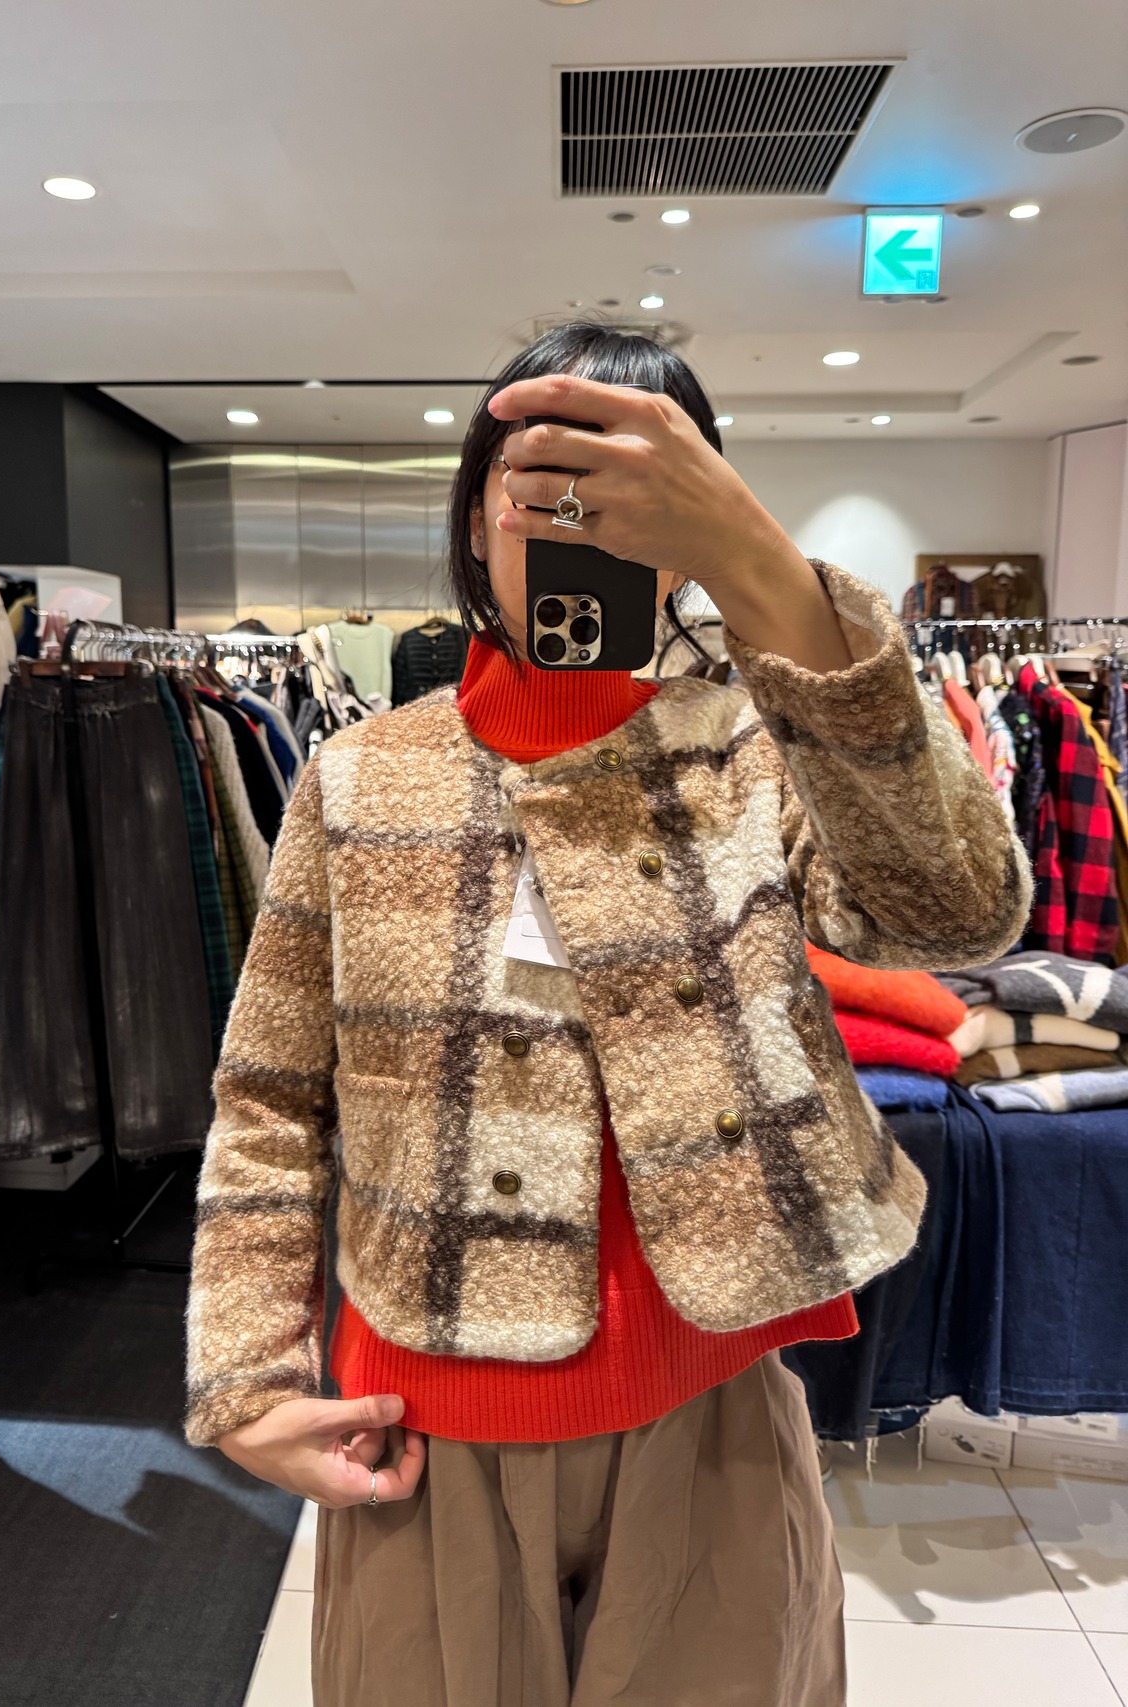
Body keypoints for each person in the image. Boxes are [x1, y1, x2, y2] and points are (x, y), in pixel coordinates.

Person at [184, 323, 1030, 1706]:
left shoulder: (758, 746)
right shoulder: (359, 776)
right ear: (477, 514)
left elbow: (955, 913)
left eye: (637, 490)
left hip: (714, 1411)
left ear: (695, 525)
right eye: (544, 486)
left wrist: (765, 574)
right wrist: (248, 1375)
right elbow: (271, 1096)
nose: (583, 519)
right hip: (424, 1420)